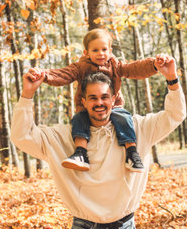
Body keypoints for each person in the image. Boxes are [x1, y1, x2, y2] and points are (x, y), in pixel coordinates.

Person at [11, 54, 185, 229]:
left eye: (104, 97)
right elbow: (22, 136)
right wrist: (27, 94)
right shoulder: (64, 137)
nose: (99, 103)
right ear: (83, 101)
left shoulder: (137, 129)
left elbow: (174, 116)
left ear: (113, 99)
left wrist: (172, 79)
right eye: (93, 98)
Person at [31, 28, 160, 172]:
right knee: (79, 120)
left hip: (113, 106)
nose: (101, 54)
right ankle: (80, 154)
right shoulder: (81, 67)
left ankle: (132, 153)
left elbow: (134, 68)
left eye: (104, 49)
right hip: (86, 109)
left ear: (110, 51)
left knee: (124, 118)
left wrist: (154, 65)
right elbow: (64, 74)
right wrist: (44, 75)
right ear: (86, 52)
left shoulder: (115, 66)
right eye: (95, 50)